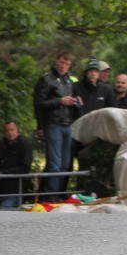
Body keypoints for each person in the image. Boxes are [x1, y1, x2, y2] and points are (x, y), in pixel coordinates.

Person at [33, 50, 80, 201]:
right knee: (55, 164)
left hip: (67, 124)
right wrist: (60, 101)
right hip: (53, 124)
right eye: (61, 62)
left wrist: (76, 102)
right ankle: (49, 197)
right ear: (56, 61)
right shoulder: (46, 79)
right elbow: (39, 104)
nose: (64, 66)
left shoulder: (69, 80)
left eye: (67, 64)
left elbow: (71, 101)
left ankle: (59, 194)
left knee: (66, 164)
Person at [0, 121, 33, 209]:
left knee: (2, 212)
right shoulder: (0, 145)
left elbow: (25, 167)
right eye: (7, 130)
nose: (10, 132)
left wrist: (4, 173)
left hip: (15, 190)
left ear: (18, 130)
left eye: (12, 130)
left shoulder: (25, 145)